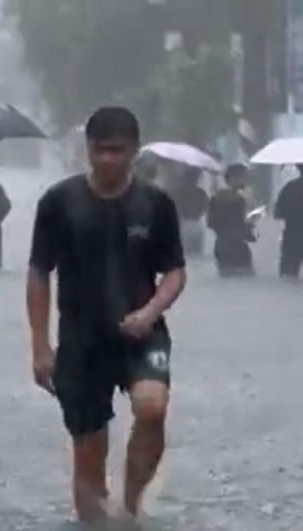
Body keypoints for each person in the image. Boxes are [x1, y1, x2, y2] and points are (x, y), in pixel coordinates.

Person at [26, 107, 187, 524]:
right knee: (89, 452)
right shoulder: (59, 203)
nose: (107, 160)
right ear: (88, 151)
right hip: (81, 340)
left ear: (134, 151)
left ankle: (131, 506)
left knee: (152, 407)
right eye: (99, 151)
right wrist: (41, 346)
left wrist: (150, 312)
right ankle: (96, 518)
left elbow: (174, 272)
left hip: (143, 334)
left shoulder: (156, 205)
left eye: (117, 151)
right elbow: (39, 273)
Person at [207, 164, 256, 277]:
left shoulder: (215, 198)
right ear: (234, 178)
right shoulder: (239, 200)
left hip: (221, 246)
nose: (245, 181)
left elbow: (210, 223)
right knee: (247, 282)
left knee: (225, 281)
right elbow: (244, 228)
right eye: (244, 177)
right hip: (238, 247)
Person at [171, 167, 209, 257]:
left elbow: (175, 208)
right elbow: (206, 207)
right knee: (197, 253)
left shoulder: (178, 192)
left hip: (184, 224)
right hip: (198, 223)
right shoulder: (200, 192)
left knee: (186, 254)